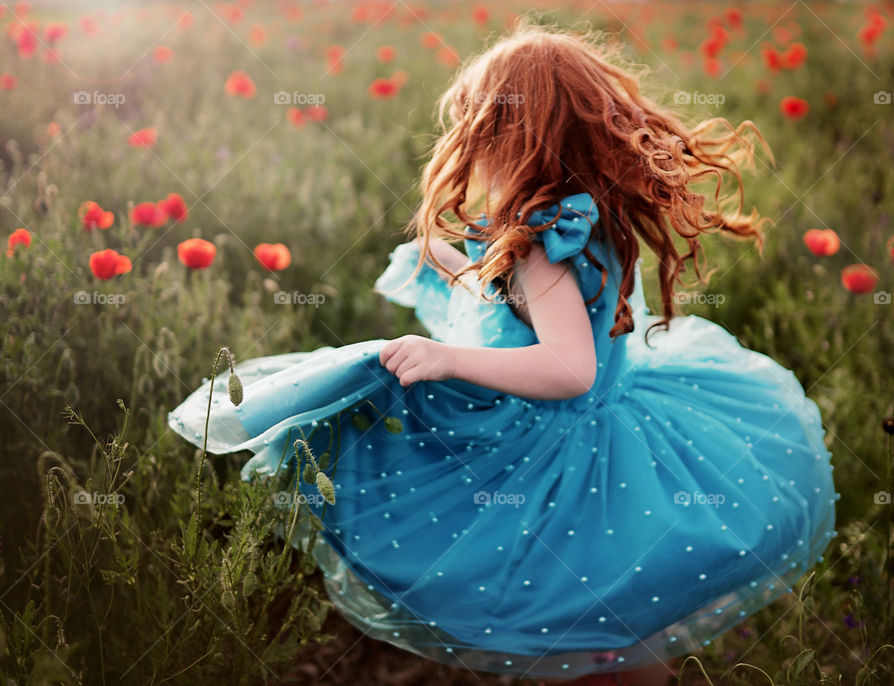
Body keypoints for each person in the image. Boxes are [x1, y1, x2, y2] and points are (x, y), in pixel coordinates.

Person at [169, 21, 838, 685]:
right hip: (622, 428)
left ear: (507, 140)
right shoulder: (584, 220)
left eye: (473, 131)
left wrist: (448, 359)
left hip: (560, 455)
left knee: (560, 605)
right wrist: (463, 267)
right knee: (616, 618)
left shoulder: (543, 247)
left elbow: (569, 369)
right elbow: (528, 316)